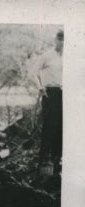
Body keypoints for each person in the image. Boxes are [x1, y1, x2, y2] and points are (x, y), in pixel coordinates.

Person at [37, 30, 63, 174]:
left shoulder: (71, 57)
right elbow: (33, 72)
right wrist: (40, 88)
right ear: (56, 40)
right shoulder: (47, 56)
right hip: (51, 93)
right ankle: (43, 165)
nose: (62, 42)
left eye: (64, 40)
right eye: (59, 39)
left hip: (65, 94)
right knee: (49, 128)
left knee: (61, 128)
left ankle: (57, 162)